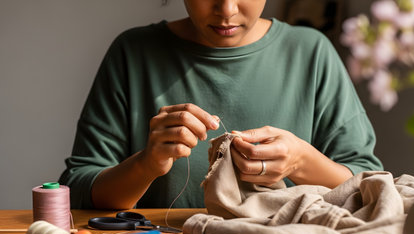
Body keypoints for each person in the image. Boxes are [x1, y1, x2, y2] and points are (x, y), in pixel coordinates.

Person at [59, 0, 383, 210]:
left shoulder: (311, 54)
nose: (226, 9)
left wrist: (300, 163)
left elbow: (371, 187)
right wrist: (147, 164)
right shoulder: (133, 54)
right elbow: (77, 190)